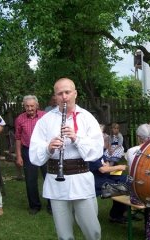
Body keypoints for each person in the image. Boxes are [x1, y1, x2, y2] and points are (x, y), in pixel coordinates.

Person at [29, 78, 104, 240]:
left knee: (93, 230)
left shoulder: (87, 117)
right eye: (60, 93)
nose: (64, 97)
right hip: (57, 182)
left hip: (81, 180)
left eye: (67, 92)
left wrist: (77, 139)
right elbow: (34, 154)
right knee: (64, 234)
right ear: (55, 97)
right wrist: (49, 148)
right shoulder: (45, 120)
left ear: (75, 94)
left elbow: (97, 150)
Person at [15, 95, 50, 215]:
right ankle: (35, 206)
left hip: (44, 150)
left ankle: (51, 205)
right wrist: (19, 156)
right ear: (24, 106)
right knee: (30, 180)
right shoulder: (20, 119)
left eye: (32, 106)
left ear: (37, 106)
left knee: (49, 178)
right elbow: (18, 138)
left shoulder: (45, 116)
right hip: (28, 151)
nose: (29, 108)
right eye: (27, 106)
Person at [89, 123, 128, 224]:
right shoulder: (92, 151)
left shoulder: (100, 150)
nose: (105, 136)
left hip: (105, 175)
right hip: (96, 180)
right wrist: (119, 167)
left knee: (127, 179)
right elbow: (103, 169)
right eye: (102, 134)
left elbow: (106, 166)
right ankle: (115, 216)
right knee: (121, 187)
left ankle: (120, 213)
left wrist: (109, 167)